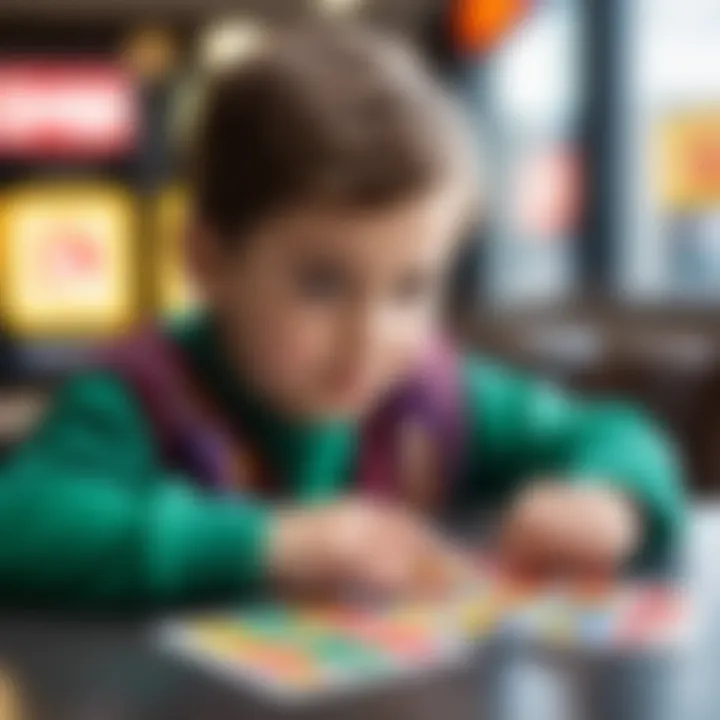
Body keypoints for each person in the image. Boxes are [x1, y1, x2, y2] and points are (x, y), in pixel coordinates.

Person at [0, 26, 684, 608]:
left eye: (411, 287)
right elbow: (20, 525)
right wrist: (269, 546)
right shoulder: (135, 400)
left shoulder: (431, 395)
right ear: (208, 259)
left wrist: (608, 500)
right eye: (323, 284)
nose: (372, 338)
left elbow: (620, 434)